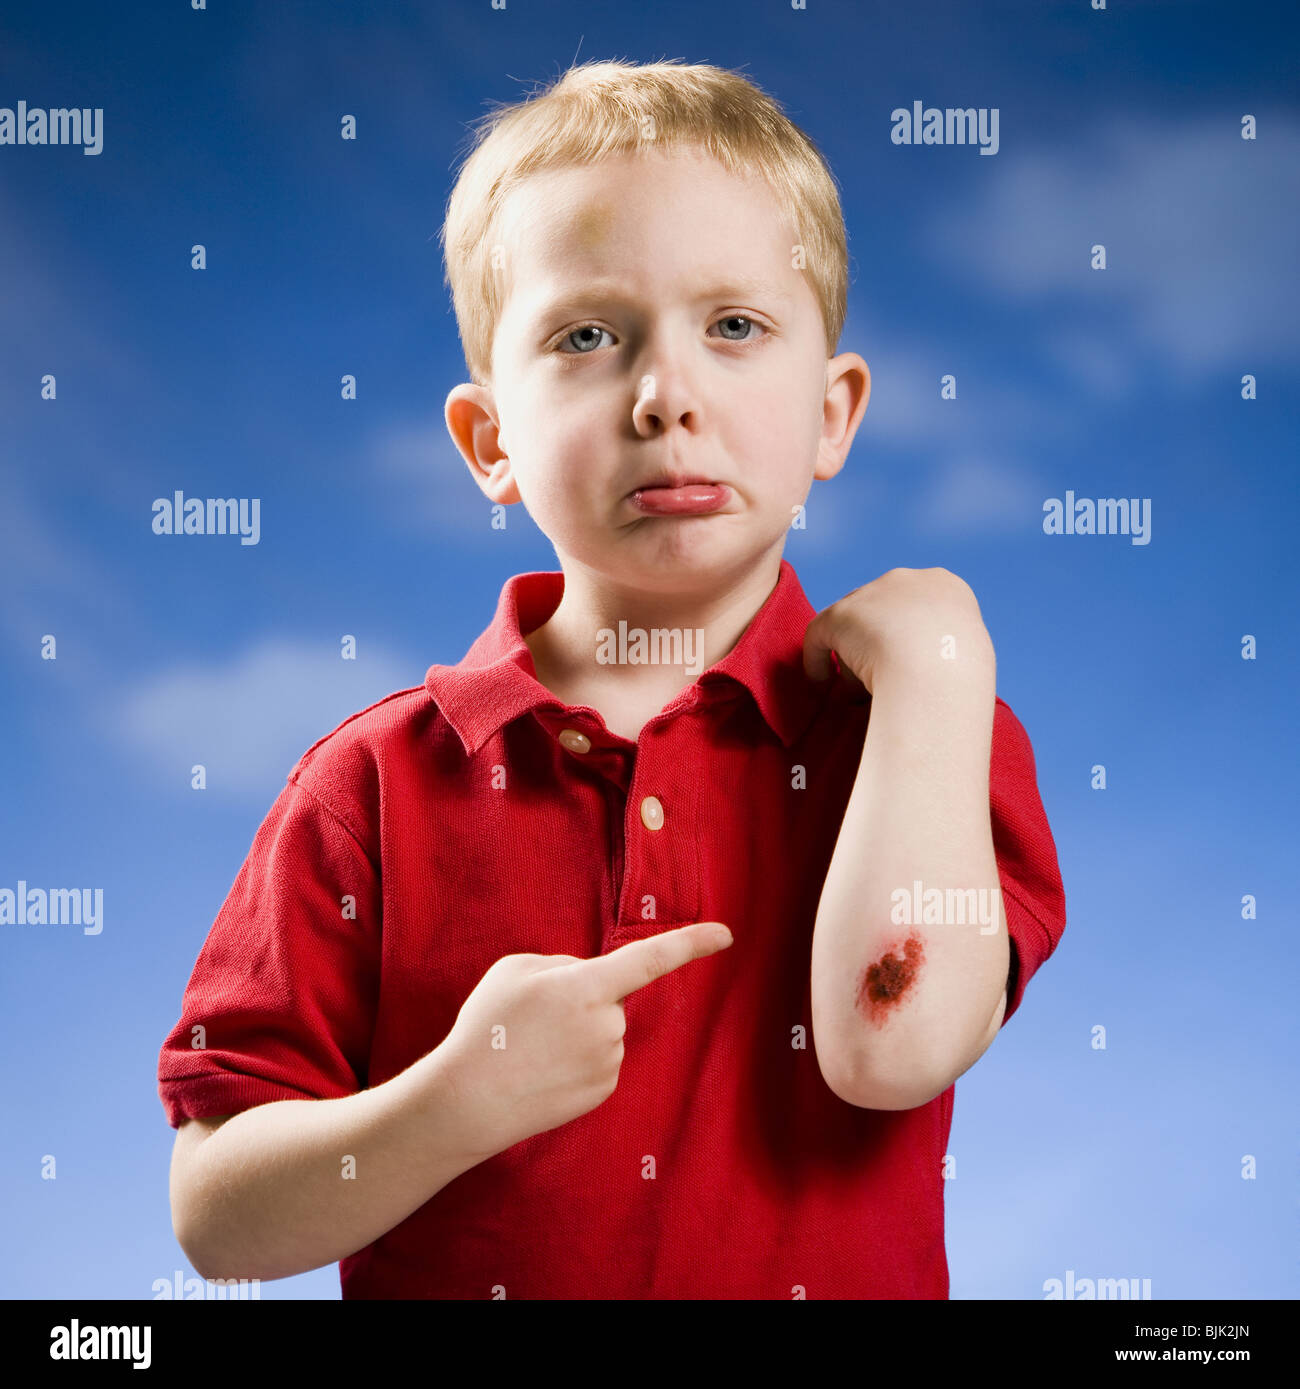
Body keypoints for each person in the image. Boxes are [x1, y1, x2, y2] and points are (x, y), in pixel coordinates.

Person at [159, 58, 1066, 1298]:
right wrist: (445, 1105)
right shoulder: (364, 788)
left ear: (832, 416)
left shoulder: (926, 738)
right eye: (588, 336)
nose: (665, 397)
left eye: (735, 327)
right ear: (491, 444)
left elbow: (889, 1048)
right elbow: (216, 1220)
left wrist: (944, 661)